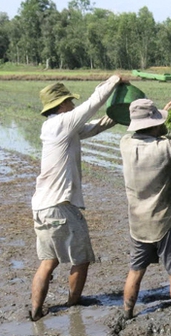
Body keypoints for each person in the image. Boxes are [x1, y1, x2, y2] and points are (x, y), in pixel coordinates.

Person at [30, 75, 125, 321]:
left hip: (42, 206)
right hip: (61, 206)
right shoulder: (62, 122)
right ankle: (73, 304)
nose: (72, 104)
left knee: (48, 261)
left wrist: (119, 114)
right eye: (69, 101)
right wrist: (113, 80)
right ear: (61, 105)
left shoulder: (55, 127)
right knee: (81, 259)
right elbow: (92, 104)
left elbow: (94, 126)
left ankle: (36, 311)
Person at [119, 98, 171, 320]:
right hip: (165, 220)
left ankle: (127, 313)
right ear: (154, 125)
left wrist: (160, 116)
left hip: (137, 222)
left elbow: (148, 131)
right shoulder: (166, 147)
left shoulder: (125, 144)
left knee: (136, 271)